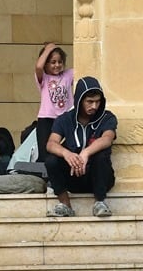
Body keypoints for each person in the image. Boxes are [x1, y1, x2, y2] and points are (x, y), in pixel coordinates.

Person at [46, 76, 117, 218]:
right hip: (73, 178)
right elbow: (51, 143)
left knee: (101, 155)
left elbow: (107, 138)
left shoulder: (107, 118)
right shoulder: (65, 119)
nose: (94, 106)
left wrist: (86, 153)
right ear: (79, 101)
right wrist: (67, 154)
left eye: (97, 101)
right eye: (89, 102)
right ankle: (65, 205)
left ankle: (100, 203)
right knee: (51, 160)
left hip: (98, 177)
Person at [34, 42, 74, 162]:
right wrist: (48, 49)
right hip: (47, 119)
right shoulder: (44, 78)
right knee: (45, 153)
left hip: (65, 118)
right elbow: (38, 67)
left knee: (67, 149)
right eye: (52, 62)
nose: (57, 65)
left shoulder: (68, 75)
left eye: (60, 62)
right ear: (46, 63)